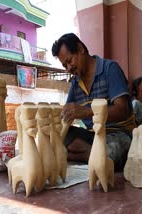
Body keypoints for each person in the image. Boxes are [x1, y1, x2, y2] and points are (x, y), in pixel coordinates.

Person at [52, 33, 136, 171]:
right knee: (58, 136)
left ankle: (84, 154)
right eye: (64, 65)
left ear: (80, 49)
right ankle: (96, 155)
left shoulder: (110, 69)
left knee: (115, 149)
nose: (68, 69)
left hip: (120, 133)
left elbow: (123, 110)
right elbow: (66, 117)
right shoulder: (75, 83)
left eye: (69, 61)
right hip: (94, 136)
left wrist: (87, 112)